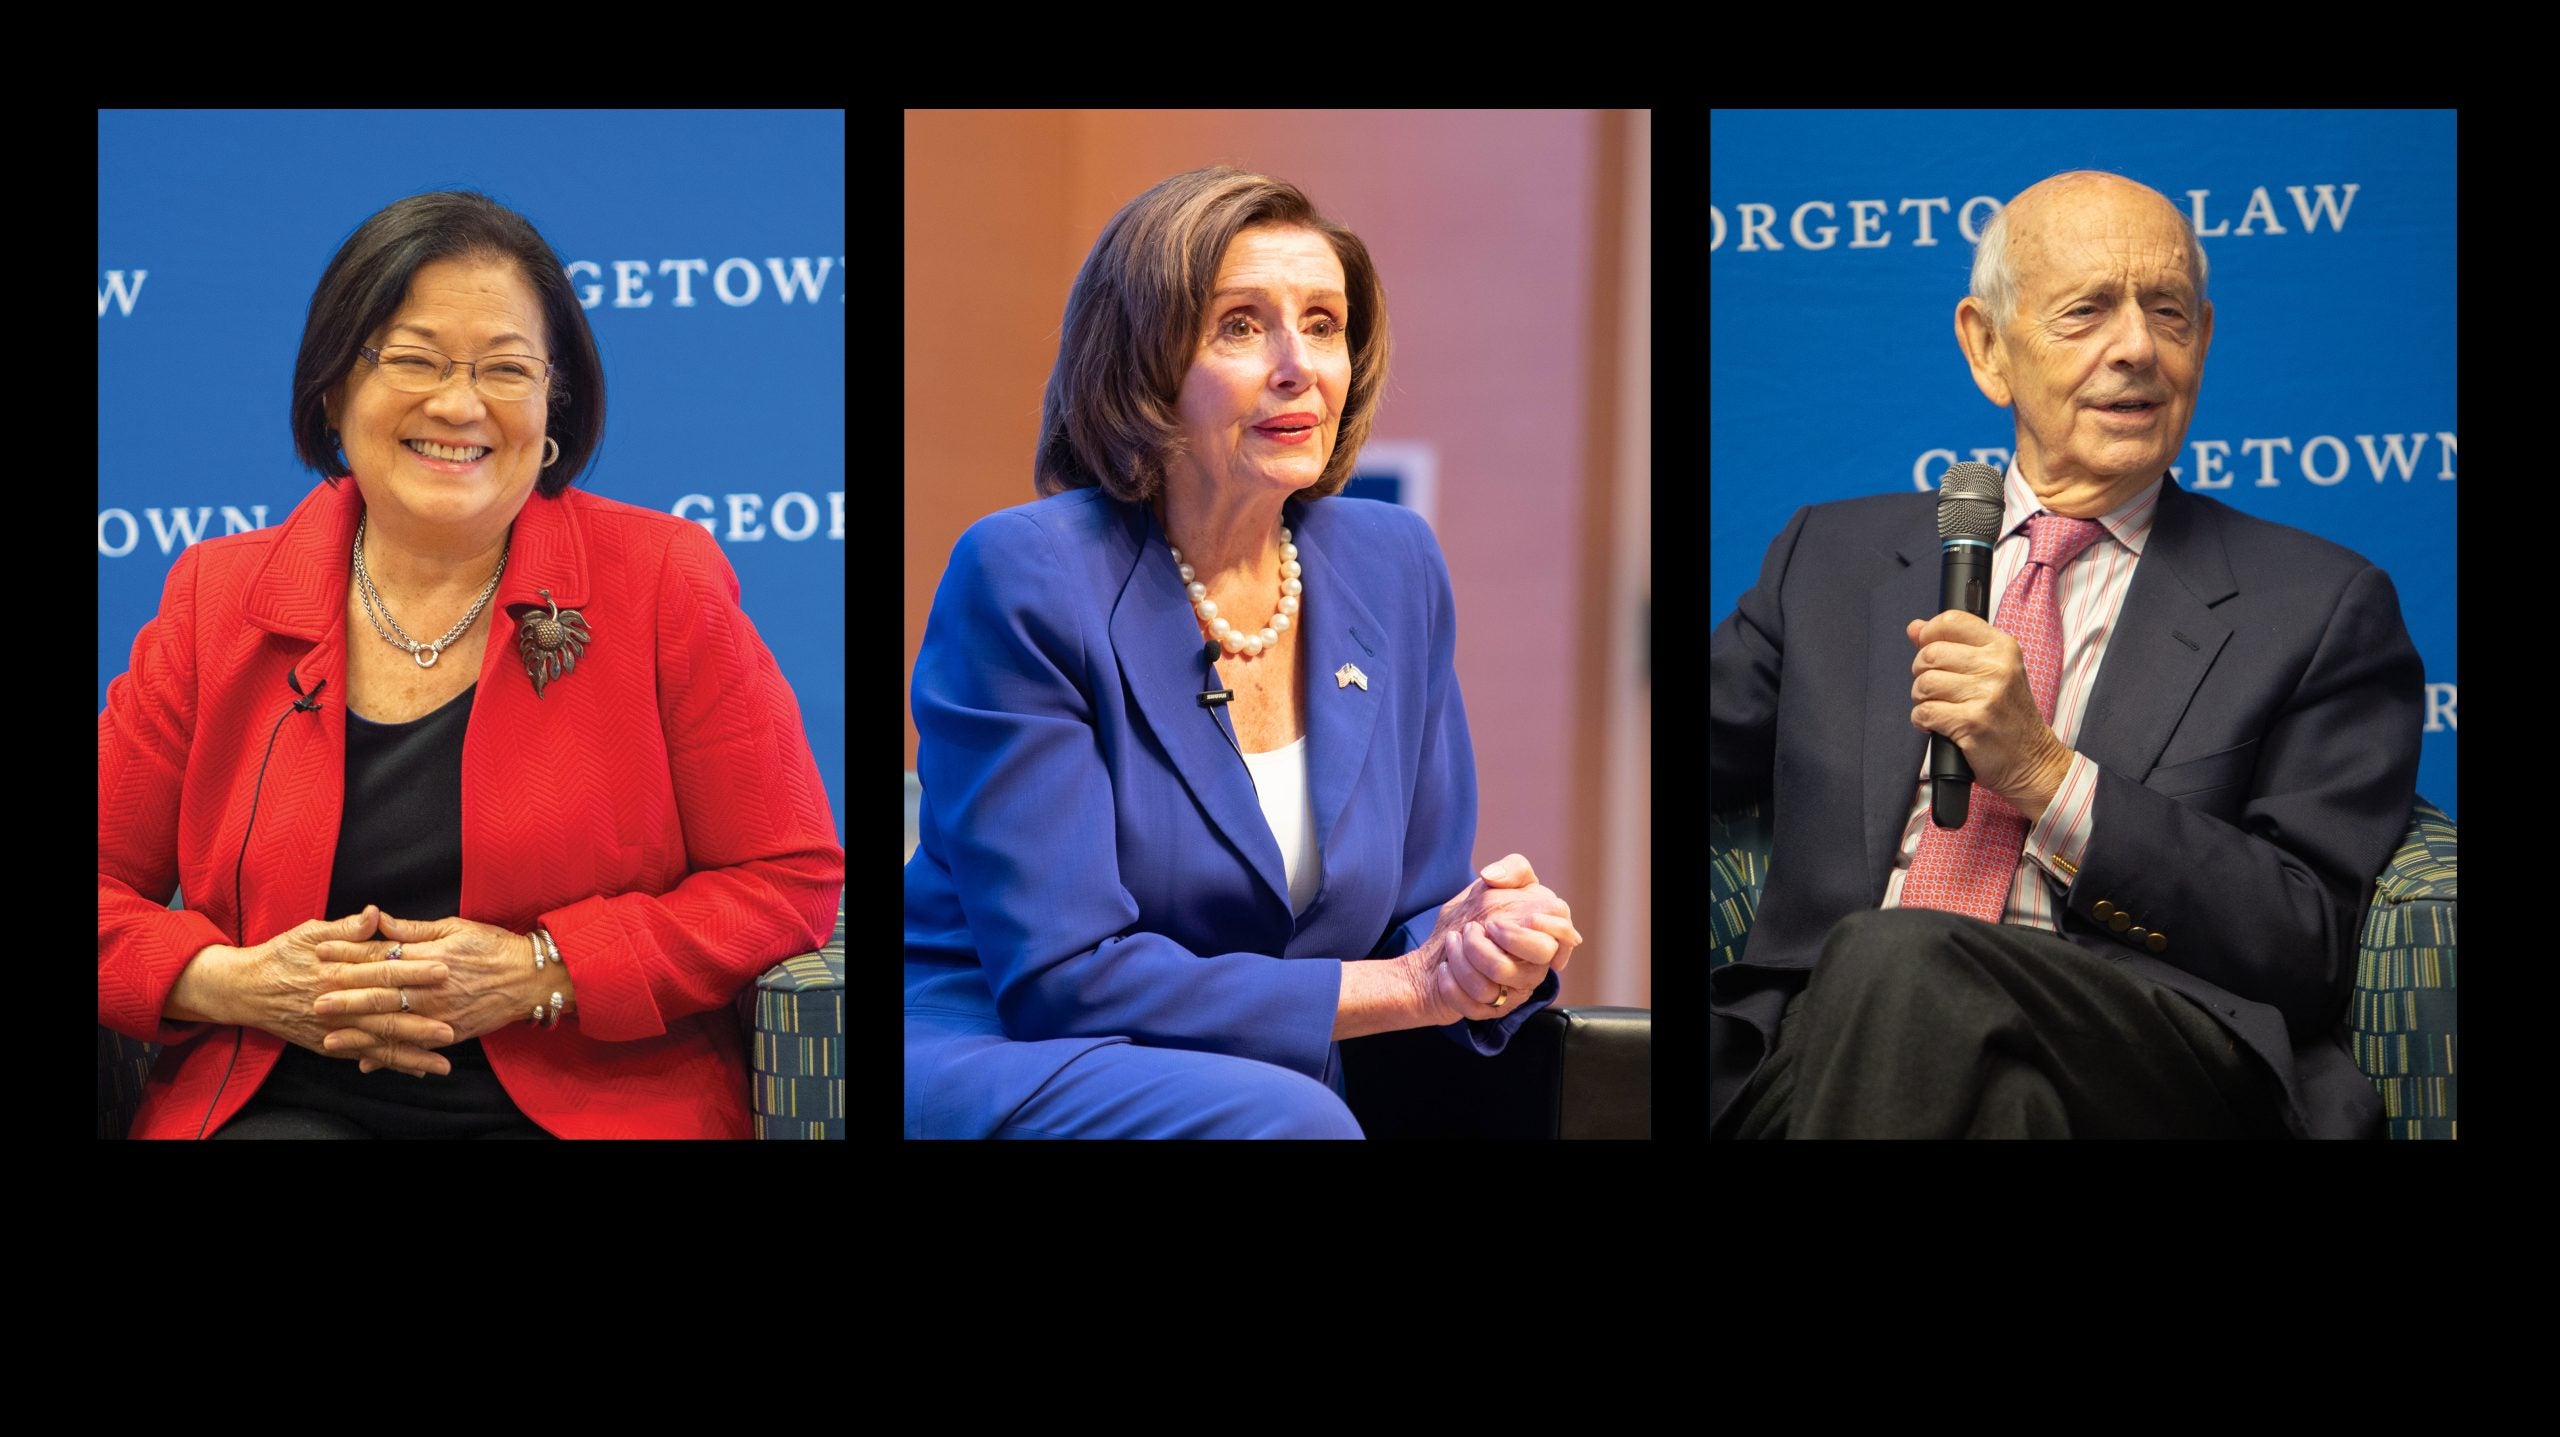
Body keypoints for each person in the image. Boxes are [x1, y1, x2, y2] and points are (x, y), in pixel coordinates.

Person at [97, 190, 843, 1139]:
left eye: (506, 368)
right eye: (412, 359)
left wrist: (547, 968)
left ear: (551, 404)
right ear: (332, 390)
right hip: (277, 1098)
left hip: (590, 1100)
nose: (460, 403)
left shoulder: (661, 579)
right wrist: (233, 983)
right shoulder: (219, 598)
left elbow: (787, 878)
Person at [1707, 170, 2422, 1139]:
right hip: (1822, 1050)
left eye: (2166, 313)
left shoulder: (2317, 604)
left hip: (2142, 1047)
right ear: (1987, 348)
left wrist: (2045, 775)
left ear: (2201, 341)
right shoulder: (1829, 561)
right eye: (2086, 311)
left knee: (1903, 960)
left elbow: (2304, 939)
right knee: (1988, 1090)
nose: (2135, 349)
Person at [905, 166, 1583, 1139]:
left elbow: (1420, 901)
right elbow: (1063, 976)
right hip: (1010, 1042)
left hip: (1269, 1070)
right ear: (1140, 362)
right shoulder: (1028, 573)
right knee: (1286, 1120)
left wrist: (1481, 944)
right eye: (1238, 325)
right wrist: (1405, 986)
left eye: (1322, 323)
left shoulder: (1392, 562)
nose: (1296, 364)